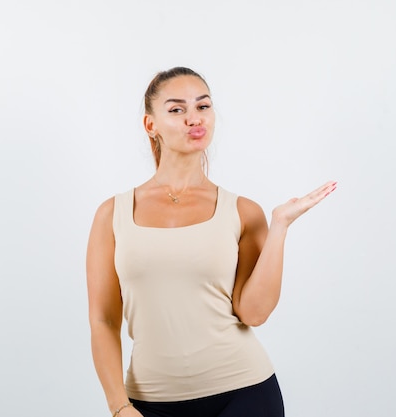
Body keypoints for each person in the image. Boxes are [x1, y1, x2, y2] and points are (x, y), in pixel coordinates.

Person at [86, 66, 337, 417]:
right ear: (150, 125)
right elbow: (103, 321)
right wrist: (119, 407)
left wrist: (279, 226)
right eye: (177, 109)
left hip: (244, 394)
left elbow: (254, 312)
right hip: (148, 403)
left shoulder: (244, 212)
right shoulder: (111, 214)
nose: (193, 118)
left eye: (203, 106)